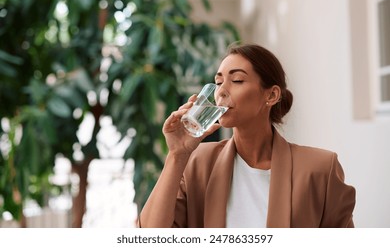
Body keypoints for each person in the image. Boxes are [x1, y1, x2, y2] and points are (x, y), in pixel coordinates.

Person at [137, 43, 356, 228]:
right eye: (219, 82)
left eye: (237, 80)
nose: (221, 91)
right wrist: (177, 154)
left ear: (271, 95)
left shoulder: (320, 169)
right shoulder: (196, 162)